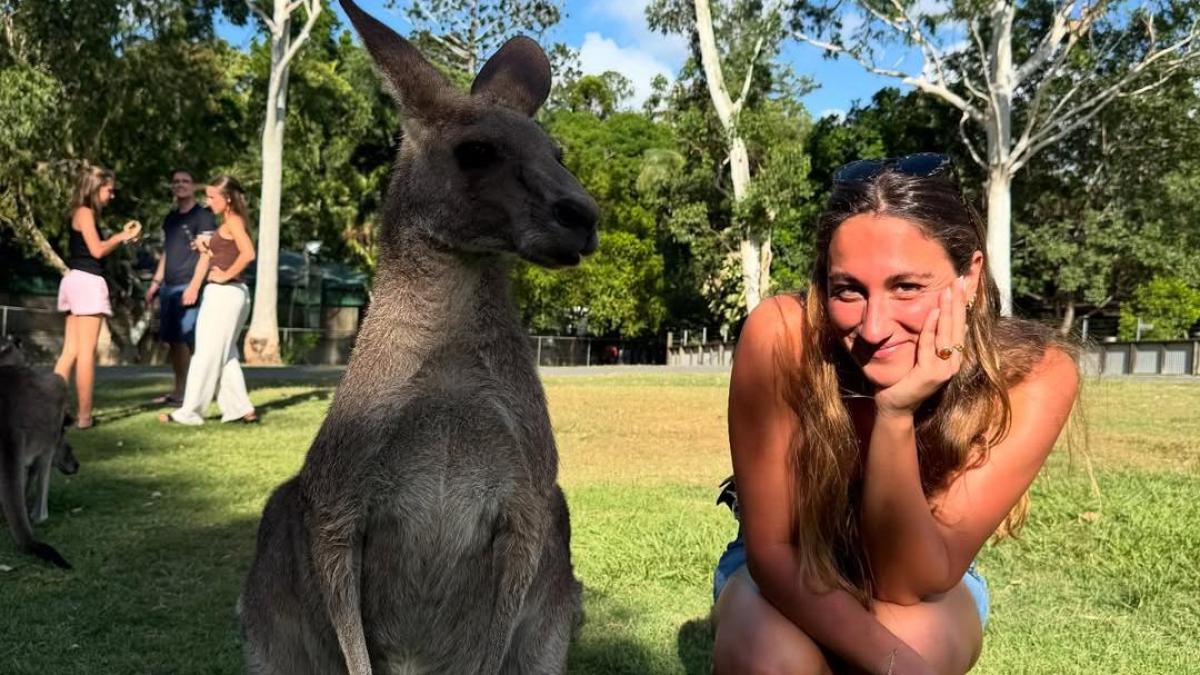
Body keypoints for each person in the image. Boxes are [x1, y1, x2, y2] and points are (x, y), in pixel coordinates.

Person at [711, 154, 1080, 675]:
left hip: (926, 584)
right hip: (783, 565)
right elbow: (773, 554)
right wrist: (895, 665)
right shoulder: (780, 334)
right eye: (848, 290)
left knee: (916, 635)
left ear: (969, 276)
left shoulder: (1035, 373)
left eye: (907, 286)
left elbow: (906, 582)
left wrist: (896, 414)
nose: (874, 327)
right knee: (775, 660)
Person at [160, 176, 258, 425]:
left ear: (227, 199)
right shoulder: (228, 222)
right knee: (226, 353)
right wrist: (207, 249)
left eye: (213, 197)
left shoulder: (233, 220)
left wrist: (225, 274)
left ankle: (189, 412)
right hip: (231, 294)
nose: (208, 201)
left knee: (204, 354)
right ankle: (241, 409)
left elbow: (248, 253)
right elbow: (226, 252)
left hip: (225, 294)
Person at [54, 165, 141, 429]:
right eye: (109, 190)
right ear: (95, 188)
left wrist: (121, 239)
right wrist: (121, 236)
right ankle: (84, 417)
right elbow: (97, 250)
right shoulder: (86, 212)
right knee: (85, 353)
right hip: (88, 282)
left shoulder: (79, 213)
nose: (111, 195)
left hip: (73, 281)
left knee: (69, 351)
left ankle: (50, 412)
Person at [144, 169, 217, 405]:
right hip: (169, 286)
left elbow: (207, 254)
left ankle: (199, 393)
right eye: (176, 181)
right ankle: (179, 390)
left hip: (190, 285)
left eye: (185, 181)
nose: (180, 185)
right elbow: (167, 253)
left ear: (193, 186)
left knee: (192, 341)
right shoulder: (171, 218)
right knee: (174, 341)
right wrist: (155, 283)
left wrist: (195, 286)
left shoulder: (203, 216)